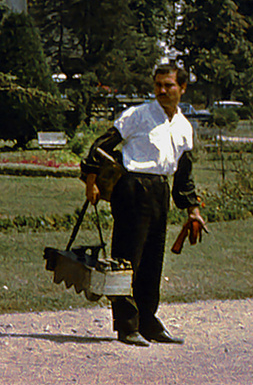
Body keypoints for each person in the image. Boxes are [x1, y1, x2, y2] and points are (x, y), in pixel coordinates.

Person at [80, 63, 204, 347]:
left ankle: (149, 321)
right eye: (158, 84)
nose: (162, 90)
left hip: (160, 191)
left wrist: (192, 209)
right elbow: (100, 146)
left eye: (169, 85)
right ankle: (126, 326)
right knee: (127, 260)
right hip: (132, 189)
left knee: (152, 262)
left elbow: (183, 174)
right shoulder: (137, 115)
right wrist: (92, 180)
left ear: (182, 88)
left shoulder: (184, 126)